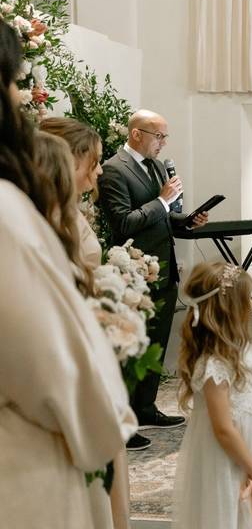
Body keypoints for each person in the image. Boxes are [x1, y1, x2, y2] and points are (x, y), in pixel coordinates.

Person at [0, 22, 135, 528]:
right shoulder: (8, 216)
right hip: (23, 469)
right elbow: (54, 370)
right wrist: (111, 422)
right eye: (14, 82)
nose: (19, 99)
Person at [32, 130, 134, 529]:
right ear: (67, 161)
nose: (98, 174)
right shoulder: (40, 221)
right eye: (92, 164)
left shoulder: (70, 210)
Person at [99, 109, 209, 450]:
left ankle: (146, 407)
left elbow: (164, 218)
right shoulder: (114, 170)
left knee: (157, 344)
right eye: (158, 136)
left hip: (164, 268)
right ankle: (125, 418)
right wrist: (162, 201)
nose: (163, 143)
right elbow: (124, 223)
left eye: (165, 137)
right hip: (133, 274)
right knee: (133, 348)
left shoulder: (159, 167)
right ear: (136, 134)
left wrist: (186, 220)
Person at [172, 262, 252, 529]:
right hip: (228, 461)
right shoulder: (214, 365)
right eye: (247, 299)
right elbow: (223, 429)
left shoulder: (244, 349)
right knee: (228, 515)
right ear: (229, 310)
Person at [39, 117, 104, 269]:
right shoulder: (52, 214)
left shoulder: (67, 205)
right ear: (71, 159)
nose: (100, 170)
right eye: (96, 160)